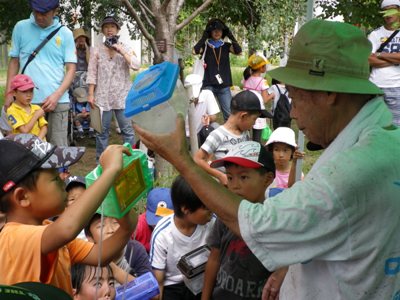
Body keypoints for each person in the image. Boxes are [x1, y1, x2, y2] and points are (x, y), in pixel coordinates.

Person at [134, 19, 400, 299]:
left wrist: (182, 161)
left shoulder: (353, 171)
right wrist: (293, 263)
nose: (294, 114)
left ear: (328, 93)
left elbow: (258, 224)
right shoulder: (381, 142)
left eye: (295, 99)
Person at [0, 134, 137, 296]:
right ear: (22, 197)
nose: (62, 181)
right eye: (54, 178)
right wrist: (110, 171)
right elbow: (67, 228)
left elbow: (101, 255)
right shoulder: (13, 238)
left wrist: (126, 220)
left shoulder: (49, 232)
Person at [202, 141, 287, 300]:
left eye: (243, 177)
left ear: (267, 179)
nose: (234, 186)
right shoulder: (225, 217)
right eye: (230, 177)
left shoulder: (273, 220)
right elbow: (214, 258)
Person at [5, 0, 77, 146]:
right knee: (26, 150)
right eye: (36, 11)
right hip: (25, 102)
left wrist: (56, 96)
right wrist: (8, 93)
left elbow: (71, 69)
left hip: (58, 102)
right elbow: (14, 61)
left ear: (55, 11)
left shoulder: (65, 33)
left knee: (57, 149)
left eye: (44, 13)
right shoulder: (20, 27)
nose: (39, 17)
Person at [150, 175, 215, 300]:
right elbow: (159, 281)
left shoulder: (212, 224)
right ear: (186, 209)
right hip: (174, 287)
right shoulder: (162, 234)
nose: (211, 210)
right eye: (206, 207)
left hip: (204, 279)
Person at [87, 15, 140, 161]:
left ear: (117, 29)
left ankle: (131, 160)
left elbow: (136, 65)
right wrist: (90, 94)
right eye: (106, 27)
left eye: (112, 26)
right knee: (101, 132)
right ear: (103, 30)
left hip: (122, 96)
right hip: (102, 97)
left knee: (127, 131)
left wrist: (121, 51)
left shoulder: (125, 47)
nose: (109, 29)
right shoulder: (96, 49)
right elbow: (92, 72)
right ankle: (101, 162)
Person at [194, 90, 269, 186]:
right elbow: (198, 159)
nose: (254, 123)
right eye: (254, 119)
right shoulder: (218, 135)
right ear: (244, 116)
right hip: (224, 188)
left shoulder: (245, 133)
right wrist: (220, 176)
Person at [193, 18, 242, 121]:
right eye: (214, 30)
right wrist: (204, 37)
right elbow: (195, 51)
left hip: (223, 86)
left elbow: (238, 51)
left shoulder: (226, 46)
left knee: (229, 115)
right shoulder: (205, 46)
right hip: (208, 85)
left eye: (220, 30)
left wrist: (230, 35)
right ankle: (205, 134)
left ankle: (228, 136)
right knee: (205, 114)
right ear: (210, 32)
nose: (217, 32)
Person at [85, 213, 152, 282]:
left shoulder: (134, 250)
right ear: (90, 238)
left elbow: (151, 288)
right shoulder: (84, 259)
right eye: (101, 226)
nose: (110, 230)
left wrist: (114, 270)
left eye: (115, 222)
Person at [368, 0, 400, 126]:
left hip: (397, 86)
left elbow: (373, 56)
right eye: (385, 10)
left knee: (397, 127)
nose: (388, 14)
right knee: (373, 125)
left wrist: (379, 54)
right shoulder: (375, 34)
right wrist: (395, 61)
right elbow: (368, 59)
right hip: (375, 86)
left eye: (391, 9)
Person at [242, 53, 274, 143]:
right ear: (261, 68)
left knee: (245, 137)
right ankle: (255, 155)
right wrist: (272, 95)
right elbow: (264, 100)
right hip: (258, 113)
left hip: (246, 111)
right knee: (256, 140)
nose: (266, 67)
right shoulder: (263, 82)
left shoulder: (246, 79)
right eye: (265, 66)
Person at [6, 74, 47, 140]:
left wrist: (38, 141)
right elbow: (24, 131)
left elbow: (44, 127)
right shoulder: (11, 110)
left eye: (31, 91)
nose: (29, 95)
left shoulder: (36, 108)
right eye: (24, 91)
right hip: (23, 147)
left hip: (40, 145)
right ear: (14, 93)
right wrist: (36, 115)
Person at [133, 187, 174, 253]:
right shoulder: (138, 227)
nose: (160, 225)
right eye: (156, 221)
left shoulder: (178, 225)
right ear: (145, 209)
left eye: (164, 220)